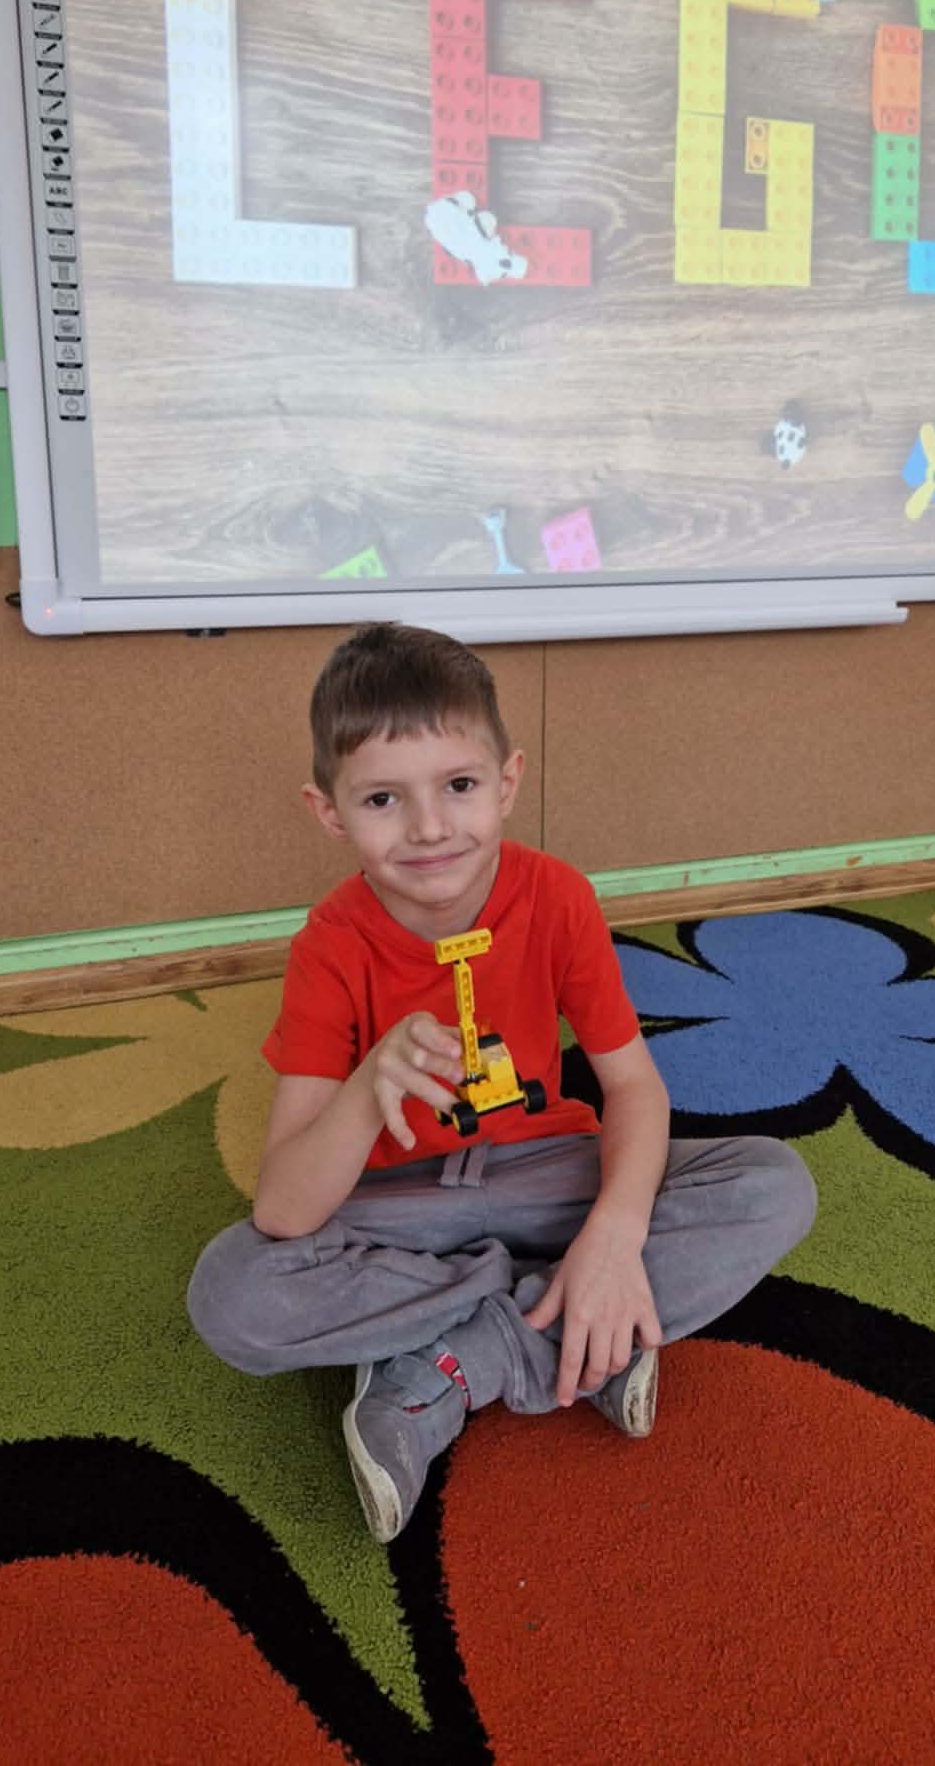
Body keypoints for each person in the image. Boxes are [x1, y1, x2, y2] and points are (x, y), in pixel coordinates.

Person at [187, 624, 817, 1543]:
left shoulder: (557, 897)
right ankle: (570, 1323)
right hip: (398, 1202)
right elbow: (283, 1209)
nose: (429, 828)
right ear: (329, 812)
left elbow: (633, 1089)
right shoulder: (329, 946)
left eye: (459, 785)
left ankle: (452, 1360)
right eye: (382, 798)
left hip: (547, 1174)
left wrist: (613, 1233)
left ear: (508, 781)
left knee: (772, 1183)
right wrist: (366, 1087)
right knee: (232, 1293)